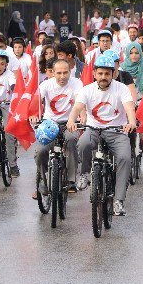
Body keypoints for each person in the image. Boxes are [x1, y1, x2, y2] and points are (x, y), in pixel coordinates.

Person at [67, 55, 136, 216]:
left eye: (107, 73)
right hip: (94, 129)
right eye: (100, 73)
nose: (103, 77)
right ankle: (84, 174)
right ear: (94, 73)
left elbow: (129, 108)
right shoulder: (87, 90)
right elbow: (77, 108)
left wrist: (131, 122)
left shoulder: (121, 88)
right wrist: (71, 120)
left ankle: (119, 200)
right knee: (82, 143)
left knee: (125, 158)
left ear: (113, 74)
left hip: (117, 131)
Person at [30, 59, 83, 193]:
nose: (62, 76)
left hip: (70, 123)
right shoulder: (46, 85)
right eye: (58, 73)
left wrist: (82, 115)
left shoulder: (76, 83)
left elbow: (79, 101)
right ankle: (43, 179)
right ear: (52, 73)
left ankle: (71, 180)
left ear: (70, 72)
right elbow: (36, 100)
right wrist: (34, 113)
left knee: (71, 140)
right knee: (41, 151)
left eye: (65, 72)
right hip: (49, 124)